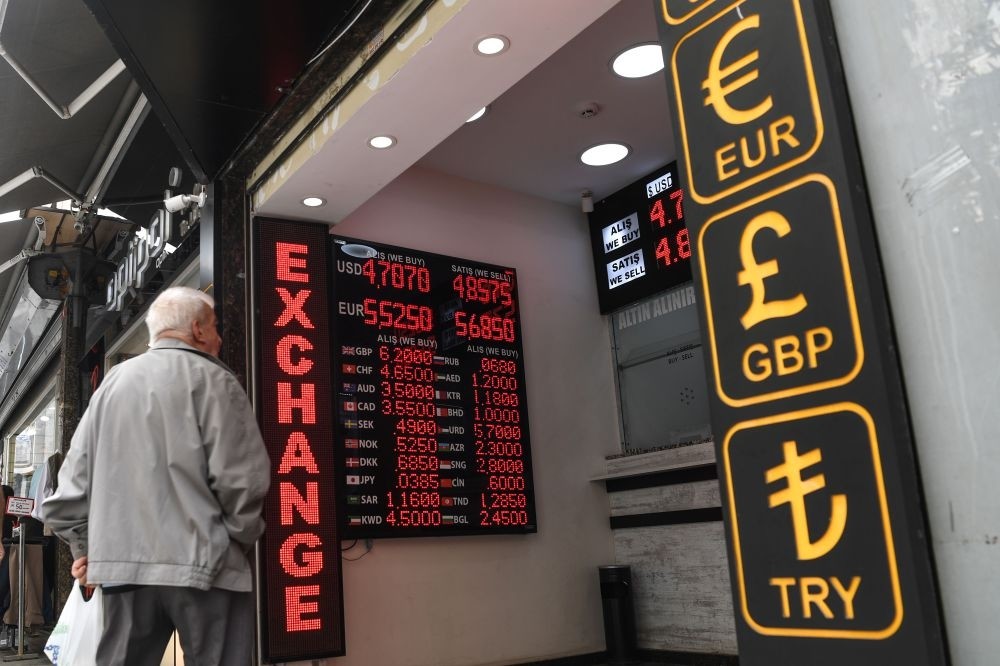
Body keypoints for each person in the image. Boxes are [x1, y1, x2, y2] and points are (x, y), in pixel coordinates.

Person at [43, 286, 271, 665]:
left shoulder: (110, 386)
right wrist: (232, 544)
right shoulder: (216, 381)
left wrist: (88, 551)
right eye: (215, 328)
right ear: (198, 329)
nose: (219, 338)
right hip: (207, 570)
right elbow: (244, 482)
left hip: (123, 572)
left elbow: (70, 492)